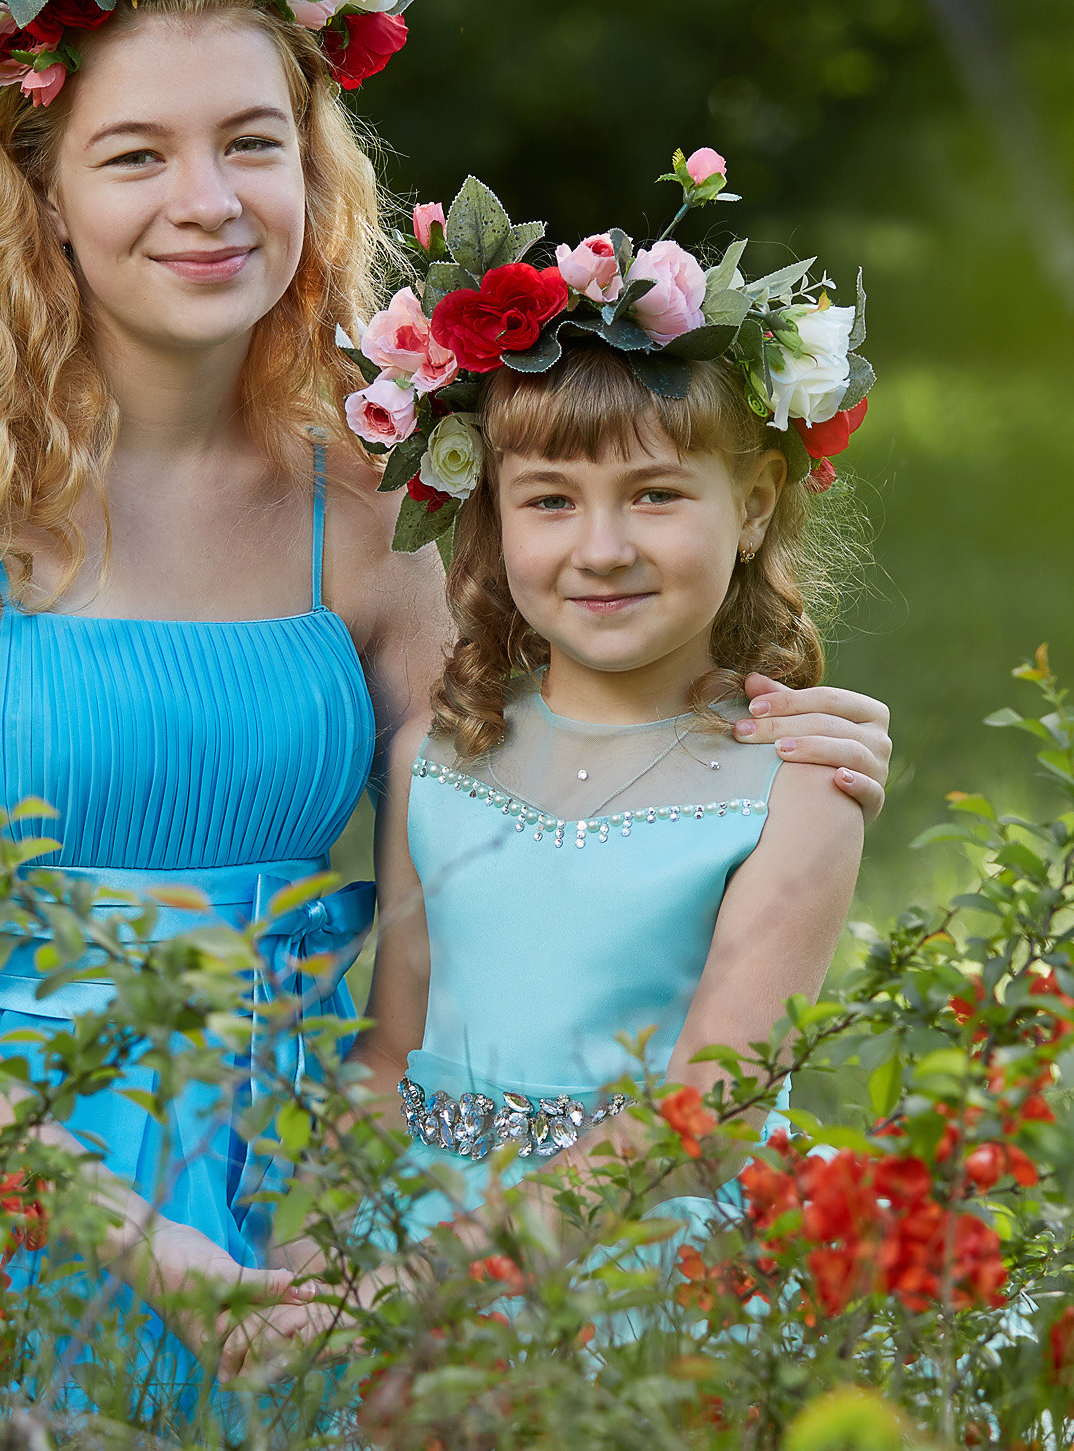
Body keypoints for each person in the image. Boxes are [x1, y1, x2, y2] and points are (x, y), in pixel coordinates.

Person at [0, 0, 896, 1415]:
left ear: (317, 169)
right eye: (135, 156)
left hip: (311, 1174)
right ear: (39, 197)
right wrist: (153, 1253)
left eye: (252, 142)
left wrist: (759, 732)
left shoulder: (371, 506)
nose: (209, 201)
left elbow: (487, 839)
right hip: (14, 1169)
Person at [323, 167, 873, 1294]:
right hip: (412, 1237)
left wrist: (444, 1275)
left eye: (657, 495)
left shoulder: (794, 785)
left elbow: (700, 1118)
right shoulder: (436, 752)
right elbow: (388, 1048)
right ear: (488, 511)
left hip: (655, 1256)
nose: (603, 546)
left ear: (755, 502)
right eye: (551, 499)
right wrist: (338, 1250)